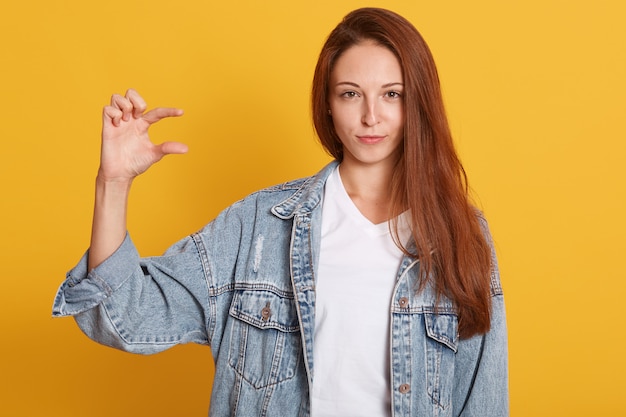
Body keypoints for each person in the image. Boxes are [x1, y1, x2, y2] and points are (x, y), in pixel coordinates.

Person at [52, 7, 508, 417]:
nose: (371, 116)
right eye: (351, 94)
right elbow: (125, 317)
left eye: (392, 94)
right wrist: (112, 184)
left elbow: (484, 402)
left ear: (418, 103)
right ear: (328, 106)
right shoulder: (258, 227)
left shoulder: (461, 234)